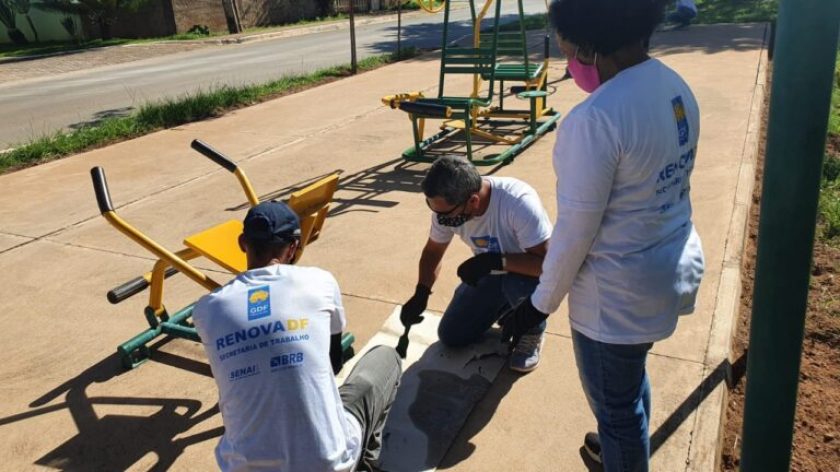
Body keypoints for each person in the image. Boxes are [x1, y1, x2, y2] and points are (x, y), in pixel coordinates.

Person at [501, 0, 705, 470]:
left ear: (590, 45)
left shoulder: (595, 120)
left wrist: (538, 306)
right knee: (627, 386)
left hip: (615, 299)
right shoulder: (673, 86)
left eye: (567, 47)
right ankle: (624, 445)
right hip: (667, 270)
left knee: (615, 410)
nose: (566, 56)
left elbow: (575, 232)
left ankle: (624, 450)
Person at [192, 201, 402, 472]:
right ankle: (364, 460)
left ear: (242, 242)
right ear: (292, 247)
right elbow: (333, 360)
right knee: (385, 359)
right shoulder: (319, 281)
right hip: (328, 464)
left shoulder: (207, 309)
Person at [399, 156, 552, 372]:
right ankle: (505, 309)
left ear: (473, 201)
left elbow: (548, 265)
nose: (440, 220)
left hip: (526, 276)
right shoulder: (445, 209)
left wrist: (495, 261)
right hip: (490, 273)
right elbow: (433, 251)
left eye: (445, 214)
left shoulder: (517, 202)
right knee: (452, 336)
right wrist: (421, 292)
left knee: (517, 286)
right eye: (434, 211)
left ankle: (532, 331)